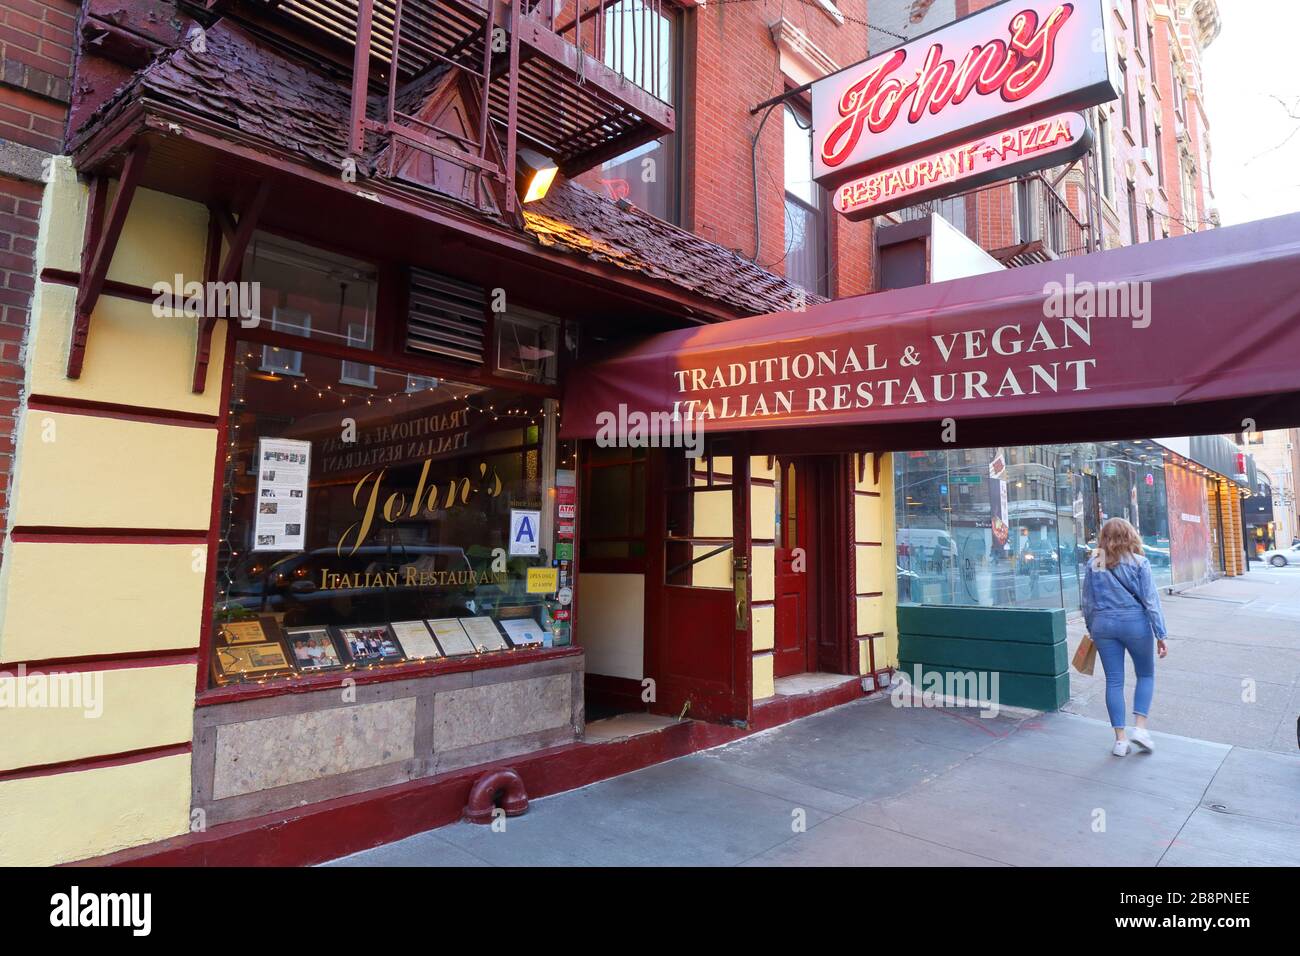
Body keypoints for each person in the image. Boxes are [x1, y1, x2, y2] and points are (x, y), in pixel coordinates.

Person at [1081, 517, 1169, 756]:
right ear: (1130, 536)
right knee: (1145, 674)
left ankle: (1120, 741)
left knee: (1114, 680)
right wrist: (1161, 634)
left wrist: (1092, 628)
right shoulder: (1139, 562)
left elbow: (1087, 601)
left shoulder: (1096, 562)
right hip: (1135, 624)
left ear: (1104, 538)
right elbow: (1151, 601)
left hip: (1103, 625)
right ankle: (1140, 728)